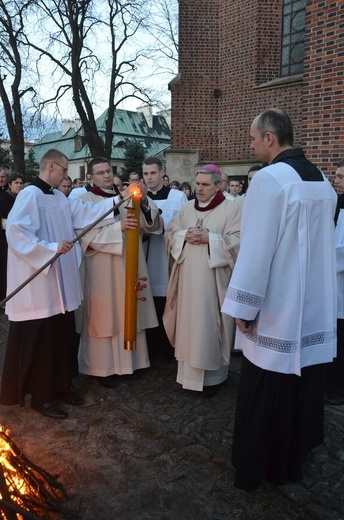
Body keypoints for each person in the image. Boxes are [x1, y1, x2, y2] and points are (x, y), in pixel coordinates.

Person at [221, 109, 337, 490]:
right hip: (313, 309)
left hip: (277, 308)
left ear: (270, 138)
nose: (251, 145)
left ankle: (260, 467)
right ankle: (292, 463)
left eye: (253, 139)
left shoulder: (270, 180)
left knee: (267, 390)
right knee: (301, 389)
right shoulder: (322, 180)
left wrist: (242, 307)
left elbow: (256, 250)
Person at [0, 149, 124, 419]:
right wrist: (50, 248)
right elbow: (17, 233)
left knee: (61, 337)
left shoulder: (59, 197)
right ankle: (42, 398)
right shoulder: (29, 195)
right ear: (52, 166)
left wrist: (120, 199)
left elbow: (86, 214)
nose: (67, 175)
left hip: (61, 284)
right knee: (44, 341)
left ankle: (61, 388)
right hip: (40, 284)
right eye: (65, 170)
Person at [75, 157, 162, 387]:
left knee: (129, 311)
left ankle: (130, 364)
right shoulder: (85, 200)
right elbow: (85, 236)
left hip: (129, 266)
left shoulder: (127, 196)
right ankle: (101, 368)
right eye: (100, 172)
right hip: (102, 269)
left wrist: (143, 201)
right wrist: (117, 228)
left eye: (108, 171)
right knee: (105, 316)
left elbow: (151, 224)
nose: (105, 175)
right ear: (91, 177)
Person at [163, 167, 240, 395]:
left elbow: (239, 240)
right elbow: (170, 232)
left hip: (212, 284)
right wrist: (183, 235)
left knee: (207, 325)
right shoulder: (187, 208)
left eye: (205, 184)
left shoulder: (231, 209)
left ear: (218, 186)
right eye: (197, 183)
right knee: (188, 325)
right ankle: (186, 377)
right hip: (187, 282)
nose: (199, 188)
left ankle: (212, 379)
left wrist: (212, 239)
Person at [142, 157, 187, 361]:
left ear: (162, 173)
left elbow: (184, 225)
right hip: (146, 257)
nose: (149, 177)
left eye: (153, 173)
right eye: (145, 174)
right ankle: (151, 347)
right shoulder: (139, 198)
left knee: (170, 301)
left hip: (169, 257)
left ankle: (171, 345)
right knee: (149, 301)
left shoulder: (177, 197)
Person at [325, 159, 344, 405]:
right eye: (336, 176)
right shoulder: (337, 204)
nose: (336, 180)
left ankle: (339, 387)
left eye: (341, 176)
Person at [0, 173, 24, 301]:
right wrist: (11, 224)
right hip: (4, 240)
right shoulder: (3, 198)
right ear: (10, 184)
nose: (19, 185)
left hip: (18, 238)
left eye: (21, 183)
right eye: (16, 183)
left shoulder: (22, 198)